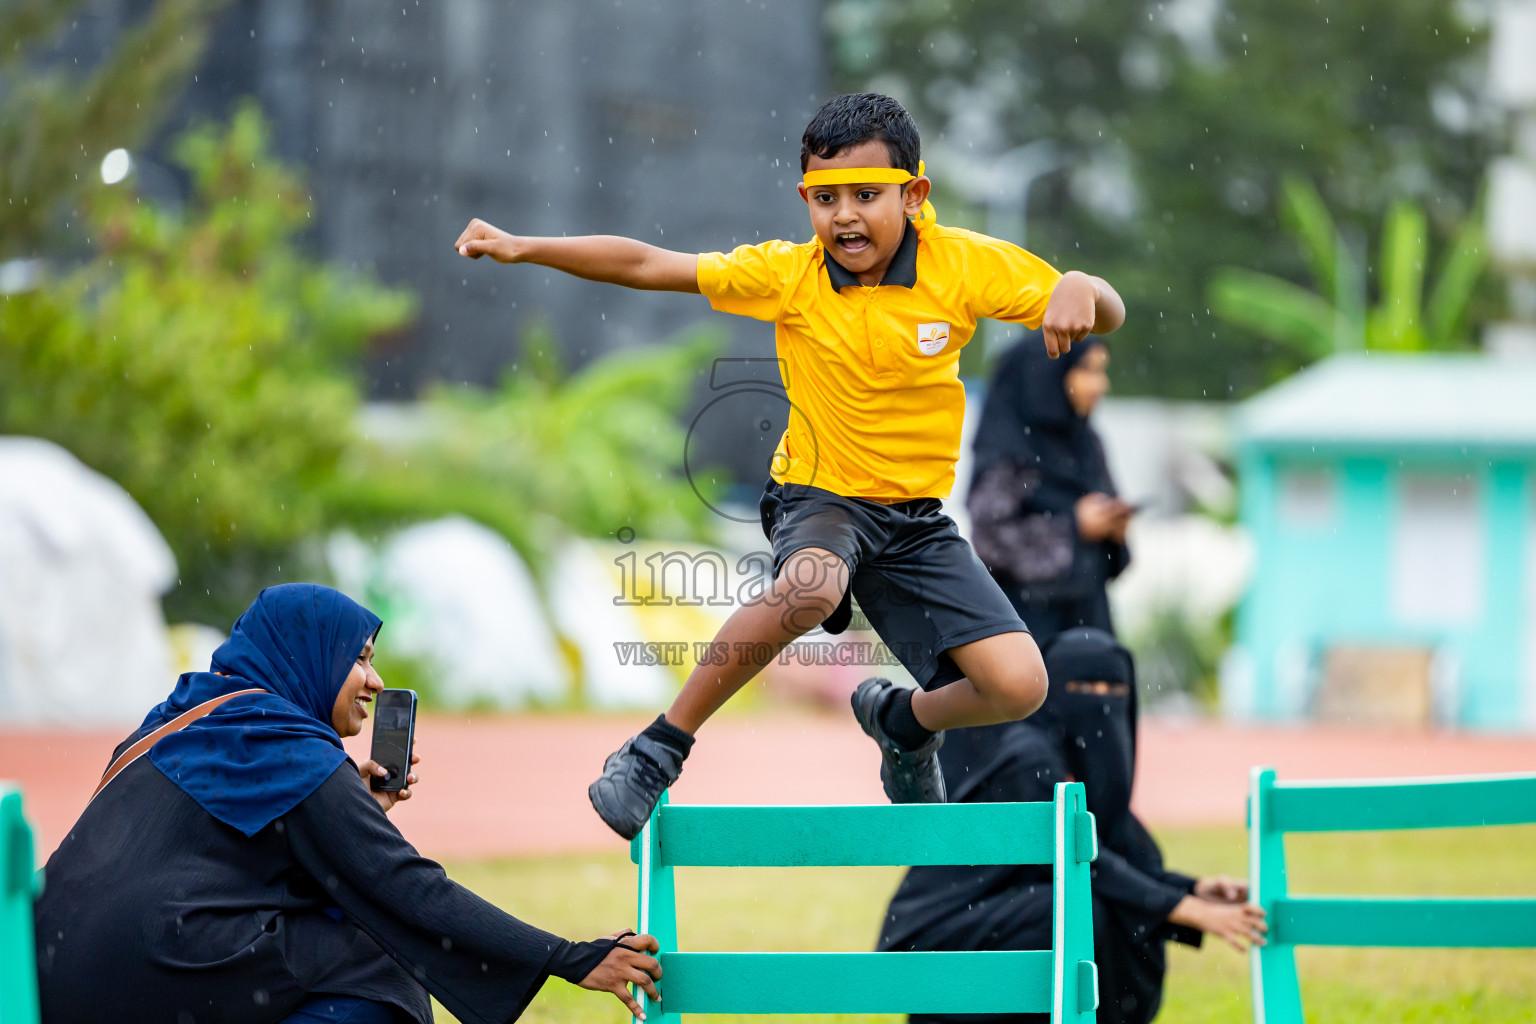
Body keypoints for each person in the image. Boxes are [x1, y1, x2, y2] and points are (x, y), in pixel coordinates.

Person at [454, 92, 1126, 839]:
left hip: (915, 520)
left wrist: (1077, 286)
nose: (844, 216)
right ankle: (657, 748)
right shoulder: (787, 276)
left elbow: (1108, 309)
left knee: (1019, 685)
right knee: (811, 586)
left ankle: (902, 720)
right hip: (820, 497)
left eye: (867, 196)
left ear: (914, 194)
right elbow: (648, 262)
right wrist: (525, 246)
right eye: (824, 197)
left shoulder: (963, 264)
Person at [33, 583, 662, 1024]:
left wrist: (351, 809)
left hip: (49, 973)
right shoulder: (287, 745)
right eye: (357, 658)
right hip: (150, 965)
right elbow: (408, 888)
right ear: (306, 656)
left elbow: (206, 860)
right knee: (379, 965)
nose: (376, 681)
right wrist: (567, 958)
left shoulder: (186, 715)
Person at [876, 628, 1266, 1024]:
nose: (1099, 702)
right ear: (1053, 693)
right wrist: (1188, 909)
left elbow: (1106, 856)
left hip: (989, 929)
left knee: (1095, 906)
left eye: (1112, 689)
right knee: (1075, 911)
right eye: (1083, 686)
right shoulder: (1027, 761)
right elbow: (1085, 862)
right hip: (928, 950)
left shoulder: (1077, 774)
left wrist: (1194, 889)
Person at [967, 332, 1132, 649]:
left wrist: (1114, 529)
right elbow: (990, 538)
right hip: (1028, 628)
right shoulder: (1009, 449)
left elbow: (1110, 557)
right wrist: (1074, 526)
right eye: (1087, 370)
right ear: (1046, 374)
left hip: (1091, 620)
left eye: (1101, 371)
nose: (1100, 385)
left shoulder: (1085, 443)